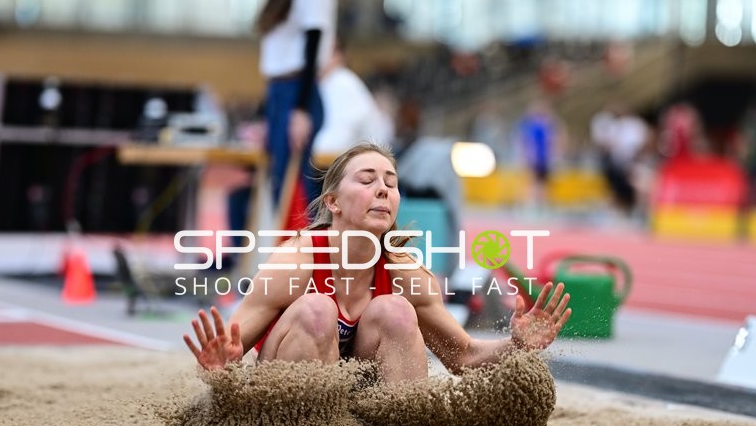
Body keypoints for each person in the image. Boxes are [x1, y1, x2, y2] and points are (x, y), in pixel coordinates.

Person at [185, 143, 571, 383]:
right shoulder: (295, 261)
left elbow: (464, 357)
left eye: (390, 182)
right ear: (333, 202)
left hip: (359, 406)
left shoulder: (407, 274)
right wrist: (219, 366)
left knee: (395, 311)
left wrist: (516, 345)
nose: (383, 189)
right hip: (288, 398)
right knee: (317, 309)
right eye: (367, 180)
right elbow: (227, 356)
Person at [227, 0, 336, 238]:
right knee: (278, 185)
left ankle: (315, 254)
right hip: (278, 91)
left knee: (297, 187)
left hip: (297, 93)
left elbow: (313, 41)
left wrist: (301, 109)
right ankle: (294, 253)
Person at [313, 37, 394, 155]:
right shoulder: (326, 83)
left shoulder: (342, 82)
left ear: (338, 56)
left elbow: (335, 141)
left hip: (370, 158)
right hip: (357, 155)